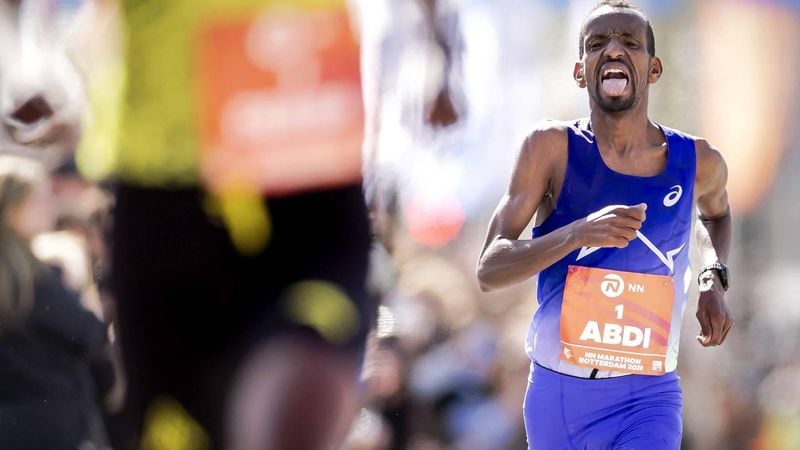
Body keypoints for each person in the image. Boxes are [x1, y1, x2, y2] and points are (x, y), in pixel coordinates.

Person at [103, 1, 375, 449]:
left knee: (305, 372)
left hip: (305, 149)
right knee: (177, 428)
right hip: (167, 178)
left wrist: (437, 41)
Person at [476, 1, 733, 448]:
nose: (613, 50)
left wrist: (713, 277)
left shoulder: (698, 160)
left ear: (653, 68)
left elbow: (716, 213)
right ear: (581, 71)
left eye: (629, 42)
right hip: (559, 394)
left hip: (647, 394)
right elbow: (490, 268)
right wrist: (576, 233)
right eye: (598, 44)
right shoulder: (549, 149)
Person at [0, 155, 115, 449]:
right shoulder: (33, 277)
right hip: (51, 425)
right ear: (12, 209)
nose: (49, 205)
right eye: (37, 199)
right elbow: (90, 333)